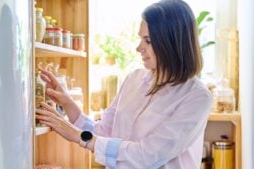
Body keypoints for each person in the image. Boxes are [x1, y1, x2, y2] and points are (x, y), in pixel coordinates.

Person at [36, 0, 212, 168]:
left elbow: (147, 156)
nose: (138, 48)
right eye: (140, 38)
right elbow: (103, 132)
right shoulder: (133, 79)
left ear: (172, 43)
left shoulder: (196, 97)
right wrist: (67, 103)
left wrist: (78, 136)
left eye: (148, 41)